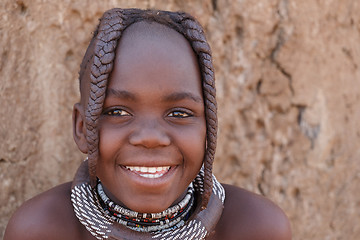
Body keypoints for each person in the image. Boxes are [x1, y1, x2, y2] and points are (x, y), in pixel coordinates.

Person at [4, 8, 291, 240]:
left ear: (209, 128)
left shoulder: (255, 228)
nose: (151, 138)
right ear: (82, 128)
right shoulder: (42, 230)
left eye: (179, 113)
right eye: (117, 112)